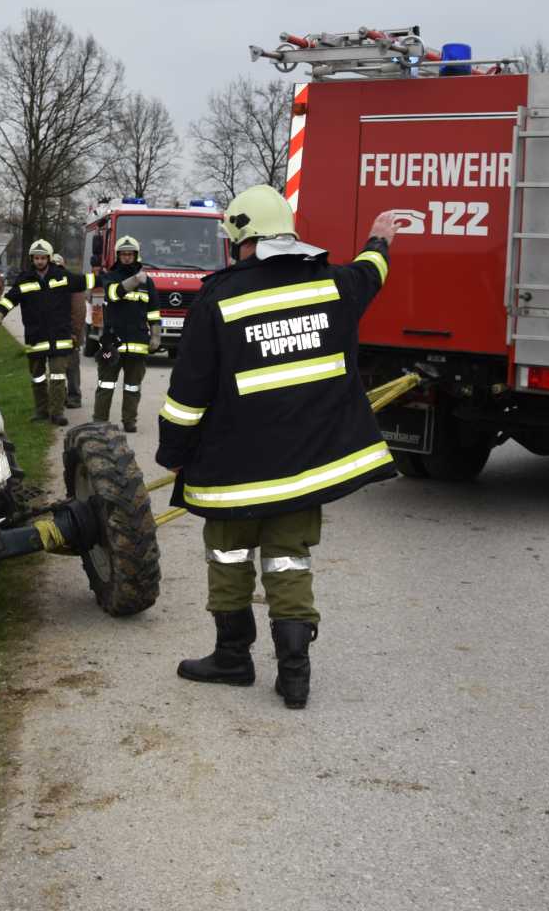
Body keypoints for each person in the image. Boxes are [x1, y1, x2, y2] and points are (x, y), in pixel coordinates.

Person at [159, 186, 398, 708]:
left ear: (241, 238)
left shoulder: (218, 299)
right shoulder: (333, 286)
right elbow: (370, 274)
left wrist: (172, 452)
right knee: (289, 561)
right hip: (303, 469)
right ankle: (295, 675)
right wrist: (380, 238)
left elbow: (187, 396)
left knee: (228, 554)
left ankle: (232, 659)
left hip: (232, 471)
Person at [0, 241, 94, 426]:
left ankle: (57, 414)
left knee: (57, 376)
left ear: (48, 258)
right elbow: (10, 299)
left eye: (43, 258)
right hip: (36, 337)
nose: (39, 261)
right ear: (32, 259)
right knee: (38, 377)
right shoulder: (24, 279)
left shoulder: (62, 276)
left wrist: (110, 278)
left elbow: (85, 281)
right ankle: (41, 412)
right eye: (36, 258)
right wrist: (0, 313)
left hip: (59, 338)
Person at [93, 235, 161, 433]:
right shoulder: (110, 275)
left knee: (133, 387)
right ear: (118, 255)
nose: (126, 257)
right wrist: (134, 280)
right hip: (111, 343)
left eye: (130, 254)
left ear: (136, 255)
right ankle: (100, 420)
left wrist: (156, 336)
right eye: (123, 254)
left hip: (138, 343)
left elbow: (154, 311)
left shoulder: (148, 283)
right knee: (105, 383)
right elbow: (114, 294)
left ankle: (129, 421)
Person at [57, 251, 87, 410]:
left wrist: (74, 333)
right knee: (58, 367)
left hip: (71, 333)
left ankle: (74, 397)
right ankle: (60, 396)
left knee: (72, 366)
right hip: (56, 333)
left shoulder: (72, 283)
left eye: (58, 266)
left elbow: (79, 310)